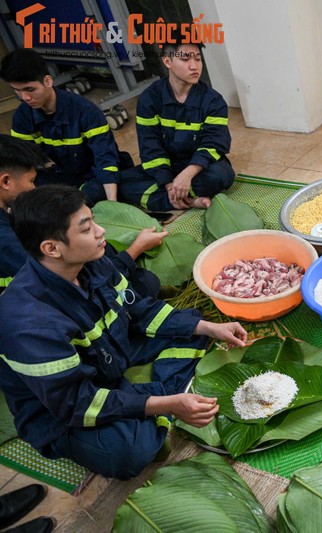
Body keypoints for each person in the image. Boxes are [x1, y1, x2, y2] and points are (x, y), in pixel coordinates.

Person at [0, 185, 248, 480]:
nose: (100, 231)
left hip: (108, 353)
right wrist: (166, 404)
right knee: (130, 452)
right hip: (61, 410)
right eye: (86, 228)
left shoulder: (92, 262)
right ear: (51, 248)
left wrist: (210, 327)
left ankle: (145, 399)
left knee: (191, 325)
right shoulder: (29, 324)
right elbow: (77, 403)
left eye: (94, 220)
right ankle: (160, 398)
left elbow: (139, 310)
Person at [0, 134, 163, 298]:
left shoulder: (11, 213)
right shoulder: (9, 241)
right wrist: (135, 249)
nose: (101, 231)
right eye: (31, 181)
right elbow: (83, 281)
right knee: (146, 283)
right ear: (5, 181)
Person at [0, 49, 130, 205]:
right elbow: (22, 164)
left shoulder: (86, 111)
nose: (25, 98)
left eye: (30, 89)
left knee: (108, 185)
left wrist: (113, 204)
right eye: (17, 91)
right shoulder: (22, 117)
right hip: (63, 175)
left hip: (93, 175)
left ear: (48, 81)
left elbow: (105, 159)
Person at [119, 42, 234, 211]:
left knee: (221, 176)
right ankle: (189, 200)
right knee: (122, 183)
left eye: (198, 59)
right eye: (186, 59)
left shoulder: (213, 100)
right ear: (167, 62)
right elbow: (150, 146)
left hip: (198, 167)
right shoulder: (150, 98)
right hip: (167, 166)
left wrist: (187, 175)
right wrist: (167, 184)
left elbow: (214, 143)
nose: (194, 66)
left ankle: (168, 200)